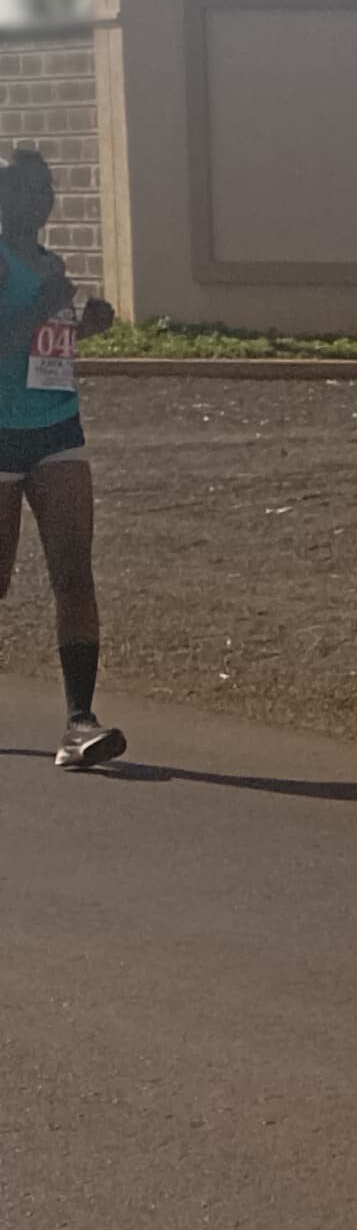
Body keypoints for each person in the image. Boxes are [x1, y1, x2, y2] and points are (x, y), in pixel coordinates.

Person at [0, 147, 124, 771]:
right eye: (25, 189)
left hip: (57, 428)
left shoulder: (52, 265)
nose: (39, 200)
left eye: (45, 189)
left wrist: (84, 328)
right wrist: (41, 305)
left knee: (74, 575)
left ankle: (80, 722)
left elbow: (44, 348)